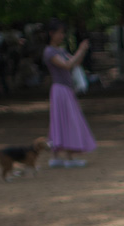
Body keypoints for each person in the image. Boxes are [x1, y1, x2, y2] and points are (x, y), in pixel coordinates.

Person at [42, 18, 96, 168]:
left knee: (62, 120)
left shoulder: (61, 50)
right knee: (65, 120)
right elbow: (67, 65)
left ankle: (60, 156)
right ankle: (67, 157)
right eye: (60, 33)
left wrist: (82, 51)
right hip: (60, 90)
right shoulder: (49, 51)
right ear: (51, 33)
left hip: (66, 90)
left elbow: (75, 63)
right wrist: (80, 50)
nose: (62, 36)